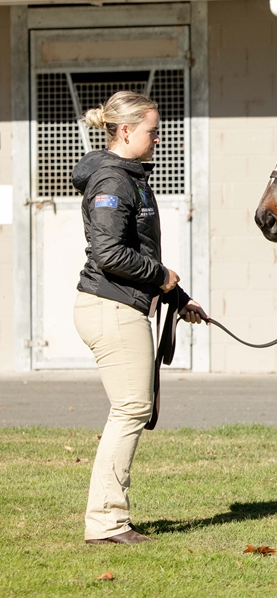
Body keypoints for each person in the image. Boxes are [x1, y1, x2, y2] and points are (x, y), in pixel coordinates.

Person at [72, 91, 208, 545]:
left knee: (131, 408)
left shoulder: (130, 177)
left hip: (123, 305)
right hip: (111, 307)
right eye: (151, 130)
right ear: (126, 131)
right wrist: (163, 277)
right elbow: (111, 254)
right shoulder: (112, 182)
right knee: (131, 409)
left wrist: (178, 296)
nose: (157, 137)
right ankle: (107, 524)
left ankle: (107, 520)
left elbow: (139, 253)